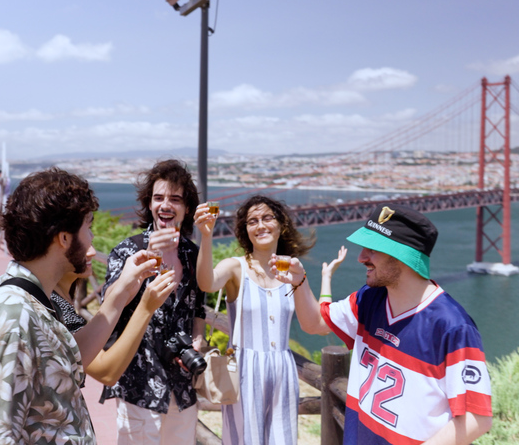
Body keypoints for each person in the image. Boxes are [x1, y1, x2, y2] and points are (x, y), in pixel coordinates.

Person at [277, 204, 493, 445]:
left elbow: (477, 418)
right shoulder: (369, 298)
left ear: (403, 255)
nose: (361, 257)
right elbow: (315, 323)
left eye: (373, 249)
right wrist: (299, 281)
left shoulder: (452, 326)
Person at [0, 168, 99, 444]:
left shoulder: (30, 297)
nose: (92, 238)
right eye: (88, 227)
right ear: (65, 238)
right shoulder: (13, 315)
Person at [195, 195, 316, 445]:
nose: (260, 225)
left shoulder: (291, 269)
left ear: (281, 225)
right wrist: (206, 236)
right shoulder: (235, 267)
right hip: (245, 369)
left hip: (284, 367)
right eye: (252, 221)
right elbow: (206, 283)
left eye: (267, 218)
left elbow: (312, 318)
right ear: (245, 231)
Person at [100, 159, 205, 444]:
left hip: (182, 387)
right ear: (149, 204)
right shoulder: (127, 250)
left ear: (186, 208)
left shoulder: (193, 255)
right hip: (139, 382)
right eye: (158, 198)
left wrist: (198, 340)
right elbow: (109, 303)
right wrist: (145, 259)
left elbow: (198, 310)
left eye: (175, 198)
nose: (165, 205)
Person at [52, 249, 176, 386]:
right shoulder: (52, 306)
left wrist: (125, 290)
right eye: (84, 243)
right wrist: (146, 308)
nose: (92, 252)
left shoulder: (56, 299)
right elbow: (106, 373)